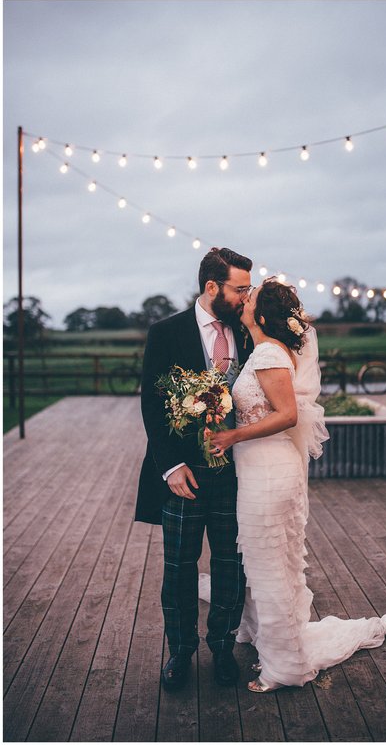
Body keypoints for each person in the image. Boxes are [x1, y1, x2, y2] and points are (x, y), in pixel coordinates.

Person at [206, 279, 386, 692]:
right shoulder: (265, 350)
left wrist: (232, 437)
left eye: (250, 299)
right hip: (260, 469)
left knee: (269, 567)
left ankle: (284, 667)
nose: (243, 302)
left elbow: (287, 416)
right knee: (267, 562)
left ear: (263, 316)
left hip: (267, 470)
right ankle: (272, 640)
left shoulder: (268, 352)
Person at [135, 247, 255, 690]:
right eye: (239, 288)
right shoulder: (166, 332)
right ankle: (180, 652)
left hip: (236, 474)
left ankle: (222, 648)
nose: (246, 297)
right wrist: (170, 467)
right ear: (212, 287)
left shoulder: (249, 331)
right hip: (185, 476)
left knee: (231, 564)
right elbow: (151, 401)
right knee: (179, 568)